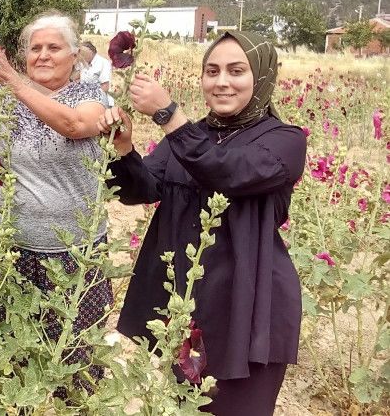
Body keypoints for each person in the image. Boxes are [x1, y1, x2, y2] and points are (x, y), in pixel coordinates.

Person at [97, 31, 306, 415]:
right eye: (212, 71)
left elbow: (226, 172)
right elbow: (141, 188)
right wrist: (124, 147)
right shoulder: (192, 137)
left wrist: (169, 115)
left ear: (261, 76)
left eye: (236, 71)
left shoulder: (284, 141)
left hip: (249, 303)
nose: (221, 81)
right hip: (187, 303)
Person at [0, 11, 111, 392]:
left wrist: (15, 82)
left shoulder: (89, 96)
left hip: (73, 258)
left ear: (74, 55)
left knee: (73, 367)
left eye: (54, 47)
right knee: (6, 365)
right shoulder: (1, 96)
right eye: (35, 48)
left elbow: (73, 125)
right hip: (8, 250)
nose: (44, 55)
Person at [78, 41, 114, 107]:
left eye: (83, 53)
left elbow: (105, 86)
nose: (81, 55)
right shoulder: (82, 64)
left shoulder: (103, 63)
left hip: (100, 102)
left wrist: (89, 97)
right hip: (85, 102)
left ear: (91, 51)